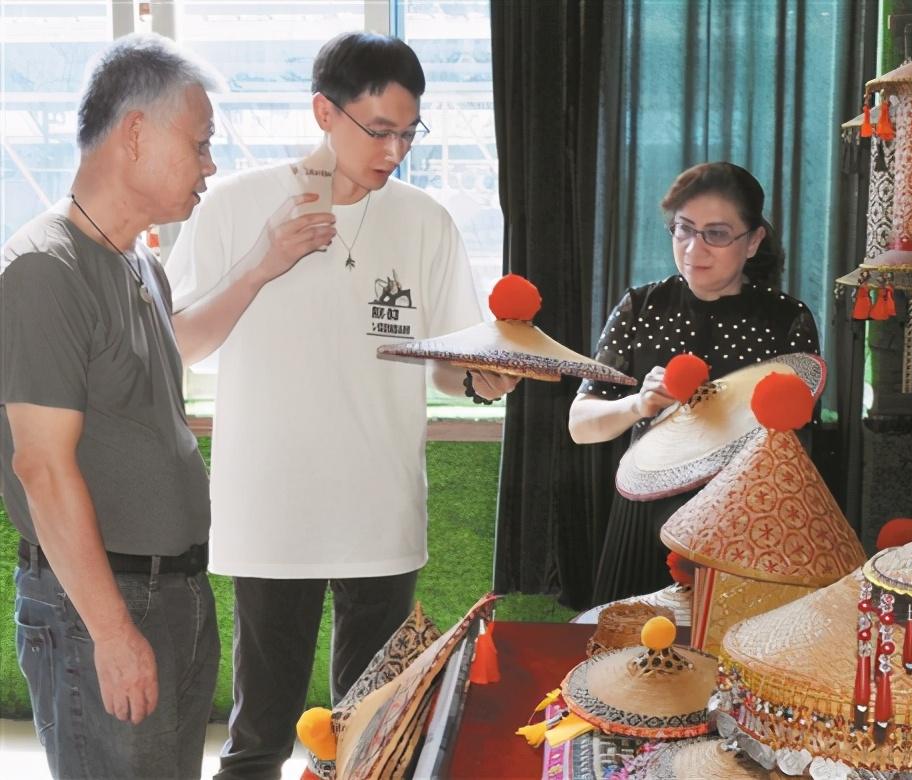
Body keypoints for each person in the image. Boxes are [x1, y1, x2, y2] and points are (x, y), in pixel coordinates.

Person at [164, 31, 516, 779]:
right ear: (324, 111)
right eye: (378, 130)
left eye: (409, 133)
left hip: (380, 506)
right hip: (272, 508)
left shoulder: (427, 220)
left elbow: (447, 366)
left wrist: (486, 378)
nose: (394, 152)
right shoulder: (234, 204)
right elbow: (177, 345)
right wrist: (263, 264)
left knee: (371, 741)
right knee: (258, 738)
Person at [0, 34, 304, 779]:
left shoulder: (137, 261)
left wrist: (261, 266)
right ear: (134, 133)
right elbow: (41, 466)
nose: (210, 164)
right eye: (199, 144)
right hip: (99, 601)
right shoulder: (45, 268)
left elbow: (171, 348)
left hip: (173, 591)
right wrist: (110, 632)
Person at [568, 162, 820, 604]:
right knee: (628, 654)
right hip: (642, 518)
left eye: (717, 234)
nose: (693, 248)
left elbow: (796, 449)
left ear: (754, 240)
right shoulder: (640, 307)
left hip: (743, 526)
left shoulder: (787, 320)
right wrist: (637, 406)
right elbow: (580, 423)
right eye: (683, 229)